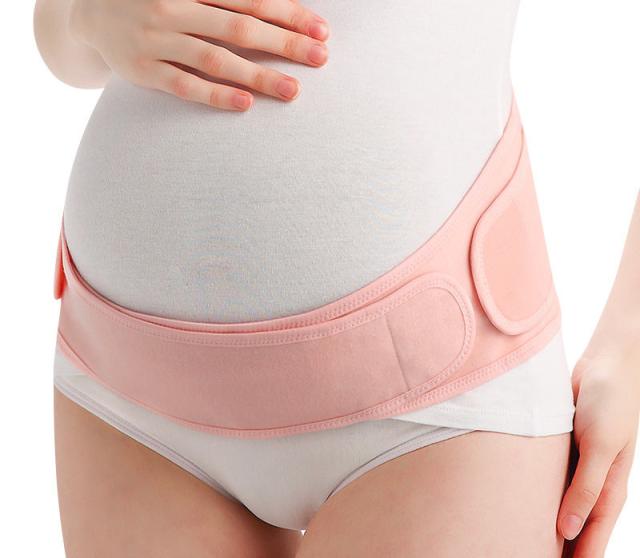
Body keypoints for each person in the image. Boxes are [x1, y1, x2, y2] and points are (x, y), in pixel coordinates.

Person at [34, 1, 639, 556]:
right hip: (126, 393)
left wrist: (630, 344)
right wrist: (86, 16)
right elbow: (60, 38)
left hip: (435, 409)